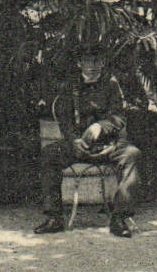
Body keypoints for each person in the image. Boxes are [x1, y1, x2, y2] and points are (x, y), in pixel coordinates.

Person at [35, 49, 142, 237]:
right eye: (87, 61)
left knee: (132, 154)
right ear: (79, 63)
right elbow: (63, 116)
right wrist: (72, 140)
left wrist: (100, 126)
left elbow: (119, 117)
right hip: (78, 146)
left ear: (102, 63)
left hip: (107, 145)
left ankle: (119, 218)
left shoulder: (111, 85)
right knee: (49, 154)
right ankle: (54, 217)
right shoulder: (70, 86)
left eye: (96, 61)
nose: (91, 67)